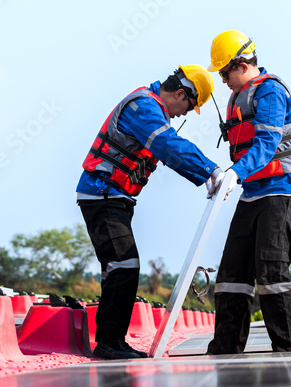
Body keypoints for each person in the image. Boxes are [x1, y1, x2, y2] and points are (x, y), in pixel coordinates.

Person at [77, 64, 220, 360]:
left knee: (123, 264)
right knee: (123, 264)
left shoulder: (150, 108)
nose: (183, 114)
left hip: (117, 197)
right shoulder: (143, 107)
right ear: (180, 93)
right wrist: (210, 171)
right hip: (102, 195)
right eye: (188, 106)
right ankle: (108, 342)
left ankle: (113, 340)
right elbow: (169, 145)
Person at [205, 31, 291, 355]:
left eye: (224, 72)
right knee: (231, 273)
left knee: (270, 268)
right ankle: (225, 347)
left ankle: (287, 350)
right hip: (252, 192)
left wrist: (235, 172)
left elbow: (266, 144)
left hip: (282, 190)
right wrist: (226, 176)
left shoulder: (270, 92)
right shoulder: (239, 95)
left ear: (240, 65)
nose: (222, 80)